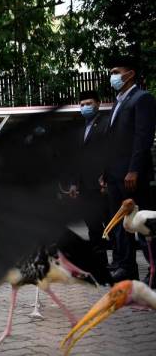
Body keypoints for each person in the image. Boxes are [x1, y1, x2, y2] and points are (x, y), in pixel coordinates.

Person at [103, 57, 156, 283]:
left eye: (116, 71)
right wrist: (104, 174)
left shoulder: (141, 98)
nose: (112, 76)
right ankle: (126, 267)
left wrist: (134, 169)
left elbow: (142, 137)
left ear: (130, 73)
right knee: (120, 224)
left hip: (132, 175)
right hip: (115, 175)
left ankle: (154, 270)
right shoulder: (118, 102)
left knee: (143, 225)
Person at [67, 91, 110, 269]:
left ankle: (121, 261)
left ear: (98, 104)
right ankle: (100, 261)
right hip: (84, 185)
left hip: (101, 184)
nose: (85, 107)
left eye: (89, 103)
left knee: (110, 223)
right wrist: (73, 184)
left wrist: (106, 177)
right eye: (82, 104)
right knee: (92, 225)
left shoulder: (106, 124)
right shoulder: (81, 129)